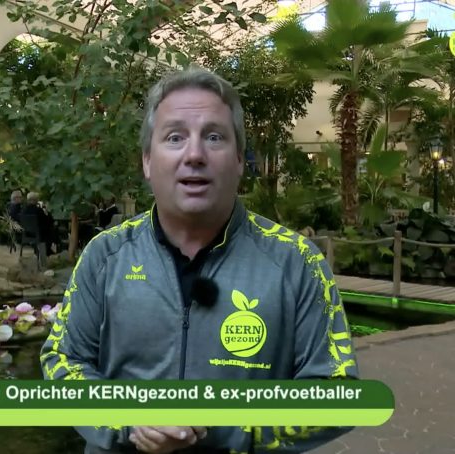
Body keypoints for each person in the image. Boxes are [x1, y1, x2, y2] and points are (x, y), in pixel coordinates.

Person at [40, 68, 358, 453]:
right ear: (147, 161)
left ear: (239, 159)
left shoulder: (296, 263)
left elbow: (338, 393)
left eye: (214, 137)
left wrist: (220, 424)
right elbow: (63, 360)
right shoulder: (105, 257)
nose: (194, 155)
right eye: (175, 137)